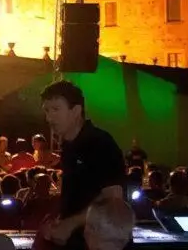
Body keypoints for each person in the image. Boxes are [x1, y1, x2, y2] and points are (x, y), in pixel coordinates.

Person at [39, 80, 125, 250]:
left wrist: (69, 225)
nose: (49, 118)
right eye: (47, 111)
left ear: (76, 110)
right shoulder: (69, 146)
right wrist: (59, 222)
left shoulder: (99, 142)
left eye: (56, 109)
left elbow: (112, 200)